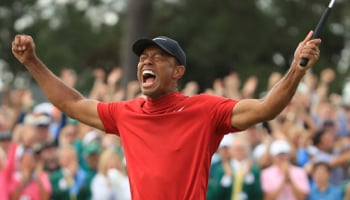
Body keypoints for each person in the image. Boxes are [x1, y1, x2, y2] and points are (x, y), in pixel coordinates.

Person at [11, 31, 321, 199]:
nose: (147, 61)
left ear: (178, 72)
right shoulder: (126, 113)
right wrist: (32, 62)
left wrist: (296, 68)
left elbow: (267, 108)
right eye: (144, 58)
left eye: (158, 58)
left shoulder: (205, 110)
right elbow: (72, 105)